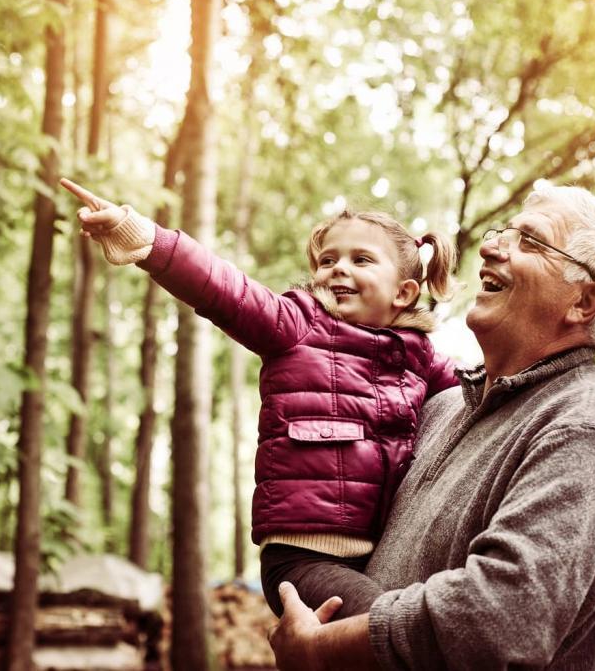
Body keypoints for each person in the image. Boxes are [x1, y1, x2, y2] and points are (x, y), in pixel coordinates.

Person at [268, 184, 595, 670]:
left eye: (530, 242)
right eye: (504, 233)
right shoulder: (440, 408)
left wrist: (324, 649)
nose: (491, 247)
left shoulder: (587, 425)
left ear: (583, 302)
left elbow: (502, 616)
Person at [59, 177, 460, 617]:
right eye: (328, 260)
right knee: (391, 626)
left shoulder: (419, 358)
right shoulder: (298, 325)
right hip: (303, 558)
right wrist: (144, 238)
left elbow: (476, 395)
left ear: (403, 293)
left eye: (361, 259)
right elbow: (224, 289)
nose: (339, 268)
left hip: (380, 551)